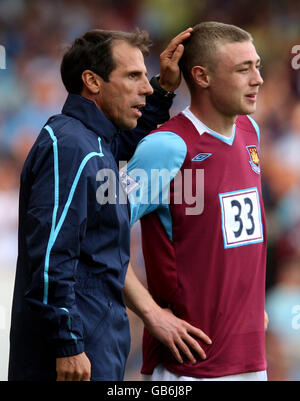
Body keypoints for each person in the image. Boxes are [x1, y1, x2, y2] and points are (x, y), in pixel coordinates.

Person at [8, 27, 193, 381]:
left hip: (96, 343)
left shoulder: (94, 142)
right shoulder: (70, 147)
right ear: (92, 81)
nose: (147, 87)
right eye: (134, 76)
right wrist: (69, 345)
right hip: (74, 357)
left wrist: (166, 90)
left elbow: (128, 141)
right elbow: (51, 257)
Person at [124, 21, 268, 381]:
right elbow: (95, 234)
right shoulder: (168, 146)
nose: (258, 79)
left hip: (251, 358)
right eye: (243, 69)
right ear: (202, 76)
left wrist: (253, 306)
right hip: (189, 366)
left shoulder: (250, 131)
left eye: (258, 66)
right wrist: (151, 314)